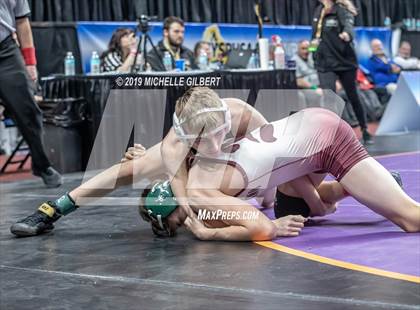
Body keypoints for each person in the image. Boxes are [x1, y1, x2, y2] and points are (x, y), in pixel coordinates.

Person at [11, 88, 420, 241]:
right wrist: (53, 209)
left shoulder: (235, 114)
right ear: (189, 139)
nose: (216, 143)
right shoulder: (174, 154)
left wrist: (206, 232)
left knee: (399, 218)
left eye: (221, 134)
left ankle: (367, 186)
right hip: (309, 137)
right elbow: (112, 177)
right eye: (205, 140)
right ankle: (367, 185)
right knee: (313, 203)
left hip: (317, 141)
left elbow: (272, 146)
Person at [0, 0, 62, 187]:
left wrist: (30, 63)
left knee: (28, 109)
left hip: (5, 50)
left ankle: (42, 165)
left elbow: (21, 21)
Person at [311, 0, 373, 145]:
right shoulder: (318, 10)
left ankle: (364, 128)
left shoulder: (342, 9)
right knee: (329, 96)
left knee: (353, 95)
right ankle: (332, 135)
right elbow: (314, 35)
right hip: (325, 61)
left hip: (344, 60)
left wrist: (346, 34)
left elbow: (348, 25)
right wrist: (312, 50)